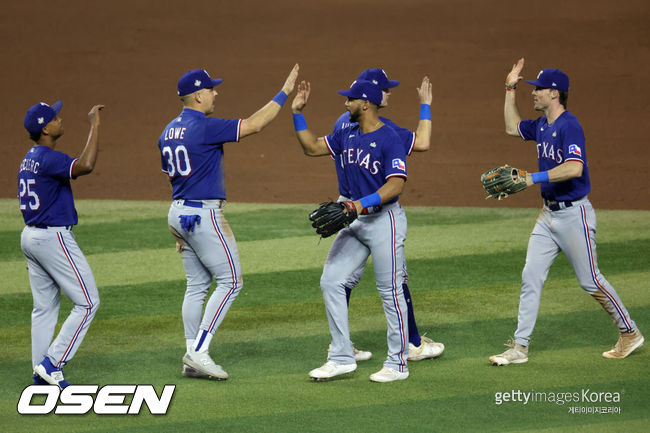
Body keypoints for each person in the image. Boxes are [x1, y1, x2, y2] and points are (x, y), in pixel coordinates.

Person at [489, 58, 644, 366]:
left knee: (591, 281)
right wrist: (509, 87)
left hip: (575, 216)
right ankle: (520, 347)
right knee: (530, 276)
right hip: (548, 217)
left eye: (539, 89)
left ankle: (629, 332)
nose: (533, 93)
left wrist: (534, 177)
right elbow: (510, 127)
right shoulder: (542, 126)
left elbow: (575, 167)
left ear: (555, 94)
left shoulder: (569, 125)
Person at [159, 65, 298, 380]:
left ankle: (191, 355)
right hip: (203, 214)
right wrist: (284, 92)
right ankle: (198, 352)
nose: (215, 93)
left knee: (196, 285)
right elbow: (254, 125)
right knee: (231, 281)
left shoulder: (166, 131)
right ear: (198, 95)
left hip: (178, 212)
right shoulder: (204, 126)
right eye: (211, 89)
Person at [292, 79, 410, 382]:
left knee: (390, 293)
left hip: (385, 221)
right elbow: (311, 148)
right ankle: (342, 356)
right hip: (354, 220)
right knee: (331, 280)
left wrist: (358, 204)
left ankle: (398, 364)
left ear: (366, 104)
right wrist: (297, 113)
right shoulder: (347, 133)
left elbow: (395, 184)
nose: (345, 104)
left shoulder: (390, 138)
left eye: (350, 100)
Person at [328, 68, 444, 362]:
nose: (390, 93)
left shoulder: (344, 122)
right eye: (387, 89)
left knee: (340, 280)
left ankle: (340, 345)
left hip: (346, 205)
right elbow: (423, 142)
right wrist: (426, 106)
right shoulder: (382, 129)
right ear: (374, 96)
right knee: (393, 281)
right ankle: (411, 345)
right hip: (371, 208)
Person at [20, 101, 105, 388]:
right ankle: (52, 363)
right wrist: (94, 125)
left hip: (30, 235)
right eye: (55, 118)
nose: (60, 119)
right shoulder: (47, 157)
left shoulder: (29, 157)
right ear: (46, 128)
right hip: (52, 237)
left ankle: (40, 376)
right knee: (88, 302)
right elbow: (86, 166)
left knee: (44, 308)